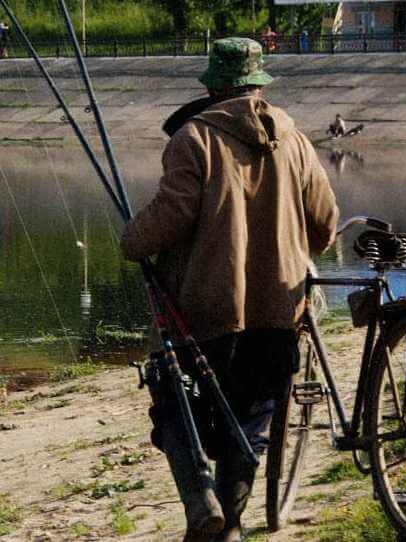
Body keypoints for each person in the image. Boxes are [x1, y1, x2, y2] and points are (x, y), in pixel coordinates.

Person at [120, 37, 338, 542]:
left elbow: (167, 219)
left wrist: (131, 239)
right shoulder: (294, 136)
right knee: (253, 420)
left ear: (214, 85)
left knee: (176, 404)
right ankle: (233, 524)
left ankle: (201, 506)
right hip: (280, 311)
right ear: (258, 85)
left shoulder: (193, 139)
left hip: (206, 315)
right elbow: (326, 224)